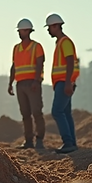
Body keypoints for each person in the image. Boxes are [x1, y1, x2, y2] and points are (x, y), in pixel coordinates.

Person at [7, 18, 46, 149]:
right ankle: (28, 141)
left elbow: (40, 64)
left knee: (36, 112)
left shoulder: (37, 47)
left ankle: (39, 139)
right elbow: (14, 66)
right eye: (19, 31)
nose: (19, 33)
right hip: (20, 84)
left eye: (21, 30)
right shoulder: (16, 48)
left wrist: (36, 81)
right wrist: (10, 83)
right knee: (25, 114)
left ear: (28, 31)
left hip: (32, 84)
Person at [46, 13, 80, 154]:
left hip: (63, 82)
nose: (48, 31)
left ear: (55, 26)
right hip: (62, 82)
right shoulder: (61, 42)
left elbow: (70, 61)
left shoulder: (65, 42)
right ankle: (71, 142)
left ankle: (68, 142)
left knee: (57, 111)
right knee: (65, 112)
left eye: (49, 28)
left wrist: (68, 82)